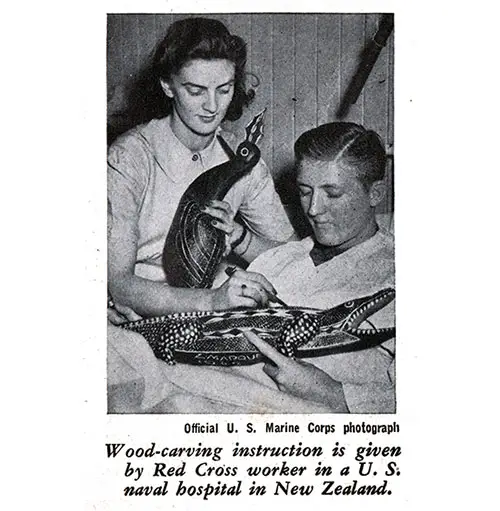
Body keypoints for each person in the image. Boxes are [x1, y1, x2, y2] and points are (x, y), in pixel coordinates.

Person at [107, 121, 395, 414]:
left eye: (332, 194)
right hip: (191, 379)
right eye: (306, 191)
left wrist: (336, 394)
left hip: (276, 409)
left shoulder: (392, 272)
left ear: (375, 194)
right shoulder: (292, 255)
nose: (313, 209)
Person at [107, 17, 294, 318]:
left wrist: (240, 238)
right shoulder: (129, 158)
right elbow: (119, 284)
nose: (212, 106)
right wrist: (211, 302)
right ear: (168, 85)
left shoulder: (240, 158)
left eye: (224, 89)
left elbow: (291, 258)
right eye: (195, 91)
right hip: (143, 312)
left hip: (216, 303)